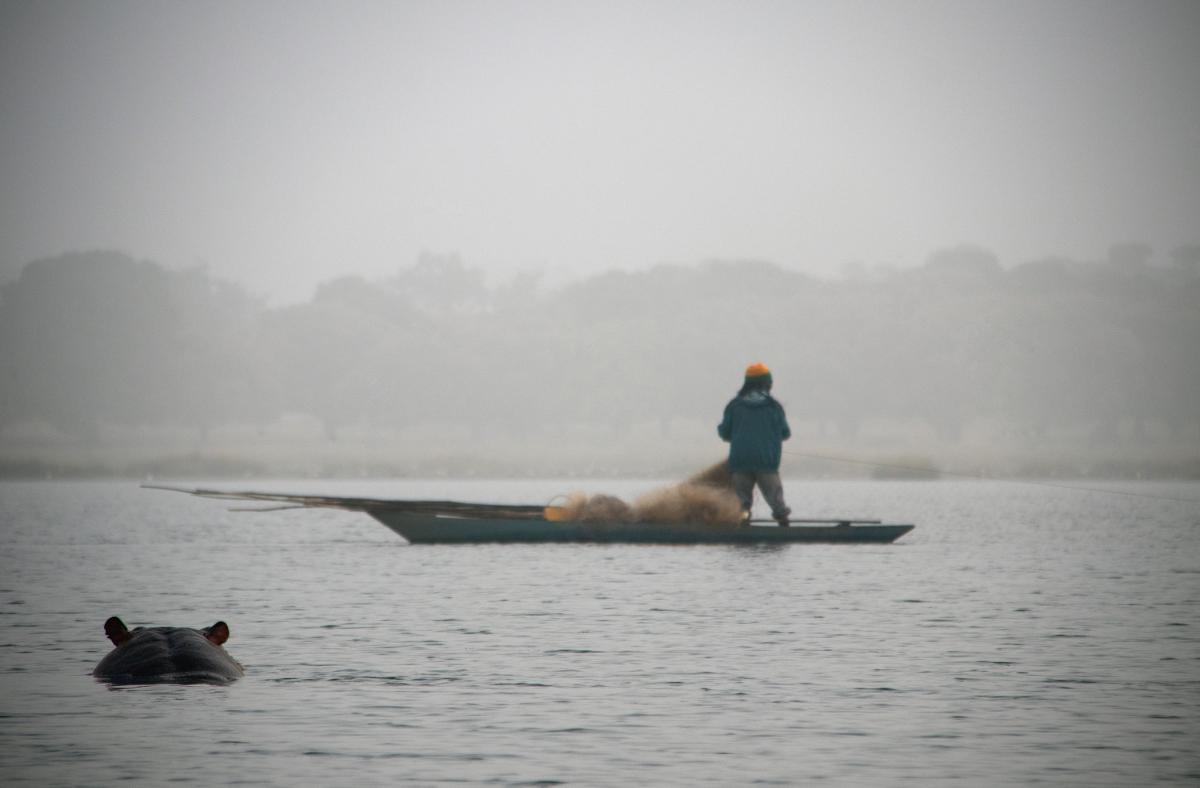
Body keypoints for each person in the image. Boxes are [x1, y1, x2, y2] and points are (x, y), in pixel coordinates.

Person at [717, 362, 792, 526]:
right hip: (766, 462)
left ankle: (744, 519)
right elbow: (785, 433)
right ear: (767, 383)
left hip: (740, 461)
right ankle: (782, 521)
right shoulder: (774, 407)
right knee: (775, 497)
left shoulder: (734, 406)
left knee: (742, 500)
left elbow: (724, 432)